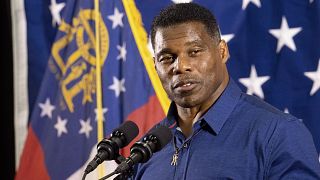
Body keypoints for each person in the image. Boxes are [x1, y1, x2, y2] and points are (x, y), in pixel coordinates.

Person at [134, 2, 320, 180]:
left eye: (195, 52)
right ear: (155, 66)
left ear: (222, 52)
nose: (181, 66)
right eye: (167, 57)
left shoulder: (279, 134)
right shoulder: (147, 150)